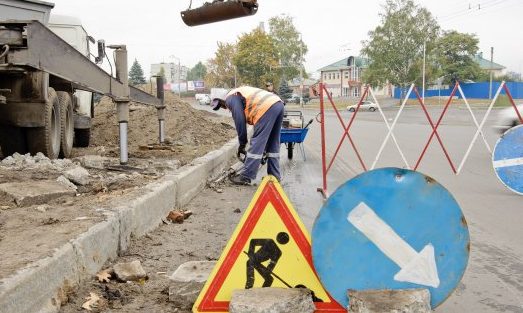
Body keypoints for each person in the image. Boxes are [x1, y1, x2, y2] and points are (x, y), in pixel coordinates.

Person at [211, 86, 284, 185]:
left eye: (221, 105)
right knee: (273, 142)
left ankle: (246, 176)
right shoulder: (239, 93)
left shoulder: (231, 98)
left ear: (221, 99)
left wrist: (242, 143)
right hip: (278, 104)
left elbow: (240, 121)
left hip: (266, 107)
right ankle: (275, 176)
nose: (224, 107)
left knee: (257, 142)